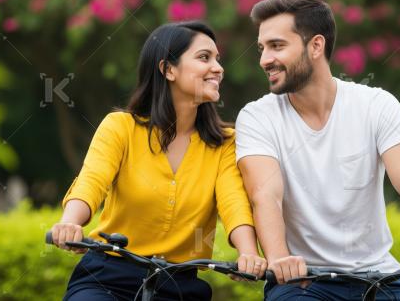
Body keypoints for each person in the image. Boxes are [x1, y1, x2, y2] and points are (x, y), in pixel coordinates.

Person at [235, 0, 400, 301]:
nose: (264, 59)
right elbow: (265, 195)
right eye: (262, 48)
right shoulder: (257, 117)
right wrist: (280, 259)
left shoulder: (376, 105)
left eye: (277, 46)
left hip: (379, 278)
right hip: (303, 283)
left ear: (316, 46)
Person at [51, 21, 266, 301]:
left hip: (179, 286)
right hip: (107, 277)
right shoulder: (120, 128)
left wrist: (248, 252)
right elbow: (92, 181)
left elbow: (233, 202)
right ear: (168, 69)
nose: (218, 68)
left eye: (217, 59)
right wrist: (70, 223)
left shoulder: (225, 143)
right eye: (204, 57)